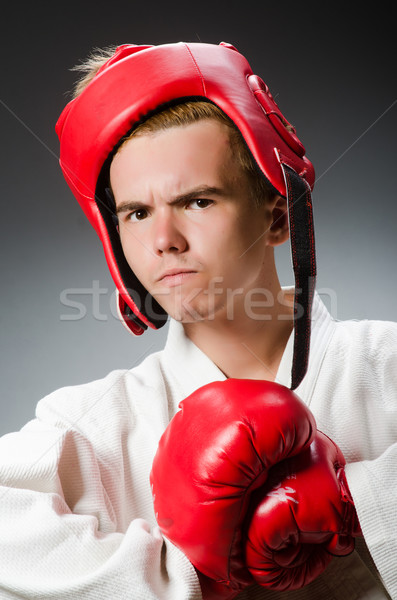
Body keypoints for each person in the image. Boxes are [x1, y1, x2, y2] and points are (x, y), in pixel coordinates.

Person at [0, 41, 396, 600]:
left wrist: (360, 502)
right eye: (137, 213)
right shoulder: (97, 426)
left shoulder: (386, 366)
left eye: (198, 202)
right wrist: (188, 575)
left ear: (278, 215)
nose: (164, 241)